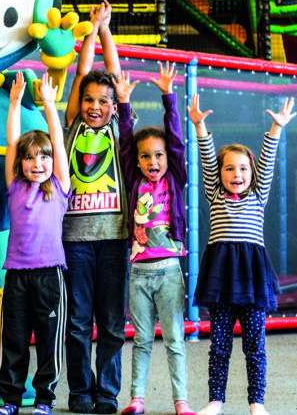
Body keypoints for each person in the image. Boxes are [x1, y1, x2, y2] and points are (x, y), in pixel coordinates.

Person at [188, 95, 296, 415]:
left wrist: (276, 127)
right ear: (220, 174)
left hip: (252, 276)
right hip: (221, 276)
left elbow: (266, 159)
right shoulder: (214, 193)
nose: (237, 174)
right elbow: (207, 157)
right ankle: (216, 401)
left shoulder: (259, 193)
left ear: (252, 173)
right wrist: (199, 125)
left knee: (254, 347)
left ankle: (256, 402)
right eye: (230, 168)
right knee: (219, 346)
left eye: (243, 168)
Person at [114, 63, 195, 415]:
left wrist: (169, 98)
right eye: (146, 156)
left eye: (158, 155)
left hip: (169, 272)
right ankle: (137, 399)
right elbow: (126, 146)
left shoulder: (173, 179)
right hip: (140, 273)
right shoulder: (134, 179)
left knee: (175, 340)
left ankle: (181, 401)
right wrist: (123, 105)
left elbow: (176, 142)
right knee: (143, 340)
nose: (152, 161)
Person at [62, 0, 129, 414]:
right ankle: (79, 390)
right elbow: (82, 77)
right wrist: (90, 31)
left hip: (115, 239)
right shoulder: (72, 125)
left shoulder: (119, 127)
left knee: (110, 322)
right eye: (90, 100)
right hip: (75, 240)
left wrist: (106, 31)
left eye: (104, 102)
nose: (95, 106)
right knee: (77, 321)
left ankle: (107, 392)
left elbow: (112, 77)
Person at [0, 72, 70, 415]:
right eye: (30, 158)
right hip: (17, 276)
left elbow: (58, 142)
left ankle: (44, 400)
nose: (37, 164)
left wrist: (51, 106)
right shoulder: (15, 187)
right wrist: (13, 105)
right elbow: (11, 144)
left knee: (50, 340)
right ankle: (11, 399)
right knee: (14, 340)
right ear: (21, 165)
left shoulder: (60, 188)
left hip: (51, 275)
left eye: (44, 158)